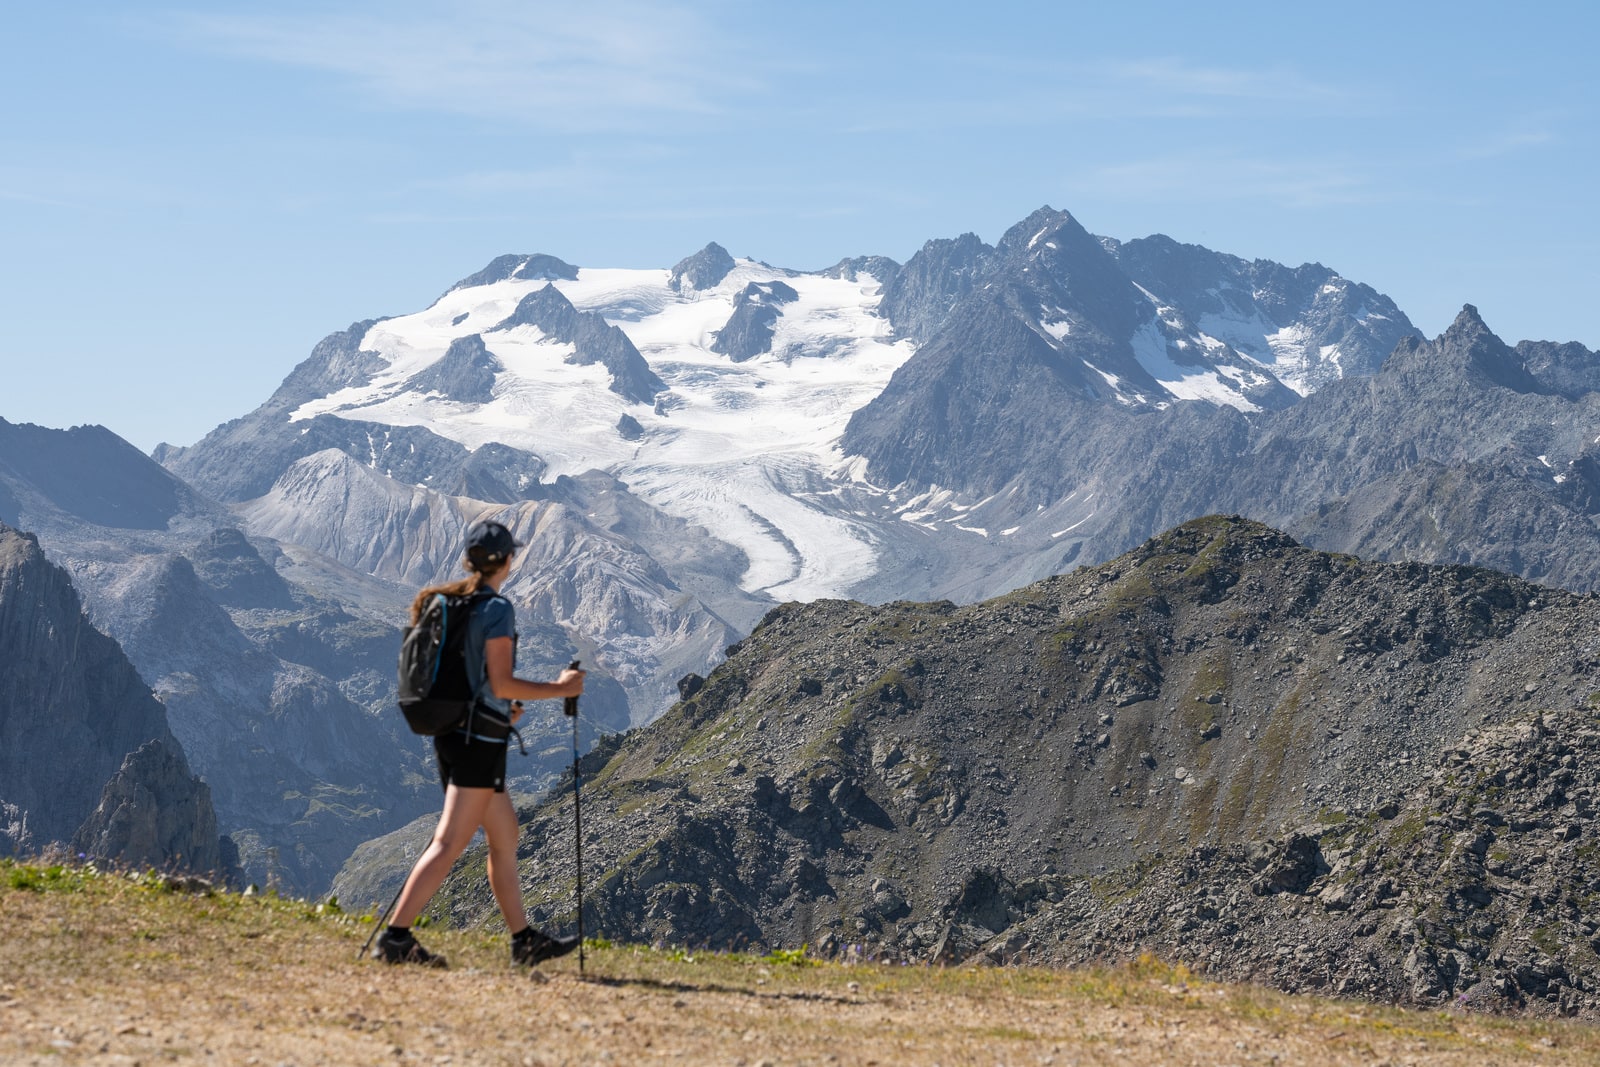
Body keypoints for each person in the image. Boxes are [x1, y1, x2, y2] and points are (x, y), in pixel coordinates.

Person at [373, 520, 586, 969]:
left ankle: (523, 940)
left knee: (505, 835)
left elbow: (477, 682)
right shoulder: (495, 609)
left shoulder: (450, 603)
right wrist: (561, 689)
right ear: (508, 561)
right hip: (477, 741)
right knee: (450, 842)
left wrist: (498, 710)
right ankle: (395, 938)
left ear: (470, 560)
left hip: (457, 733)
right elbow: (503, 680)